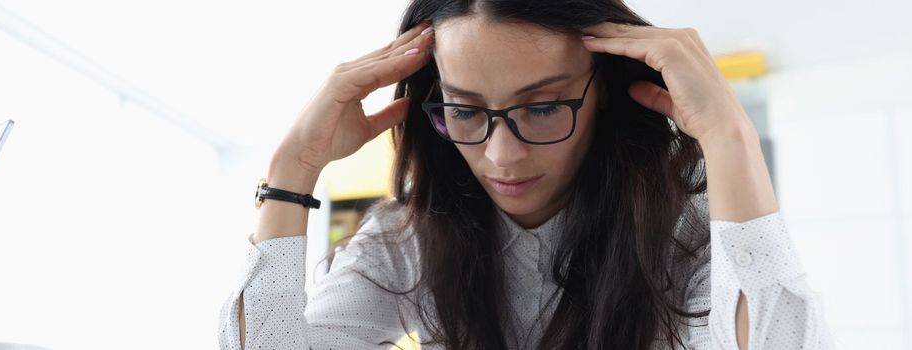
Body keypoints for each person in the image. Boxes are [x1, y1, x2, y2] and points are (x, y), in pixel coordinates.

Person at [219, 0, 833, 349]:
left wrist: (729, 138)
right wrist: (290, 172)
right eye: (465, 110)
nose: (502, 156)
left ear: (605, 95)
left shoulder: (685, 229)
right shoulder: (404, 242)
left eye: (542, 107)